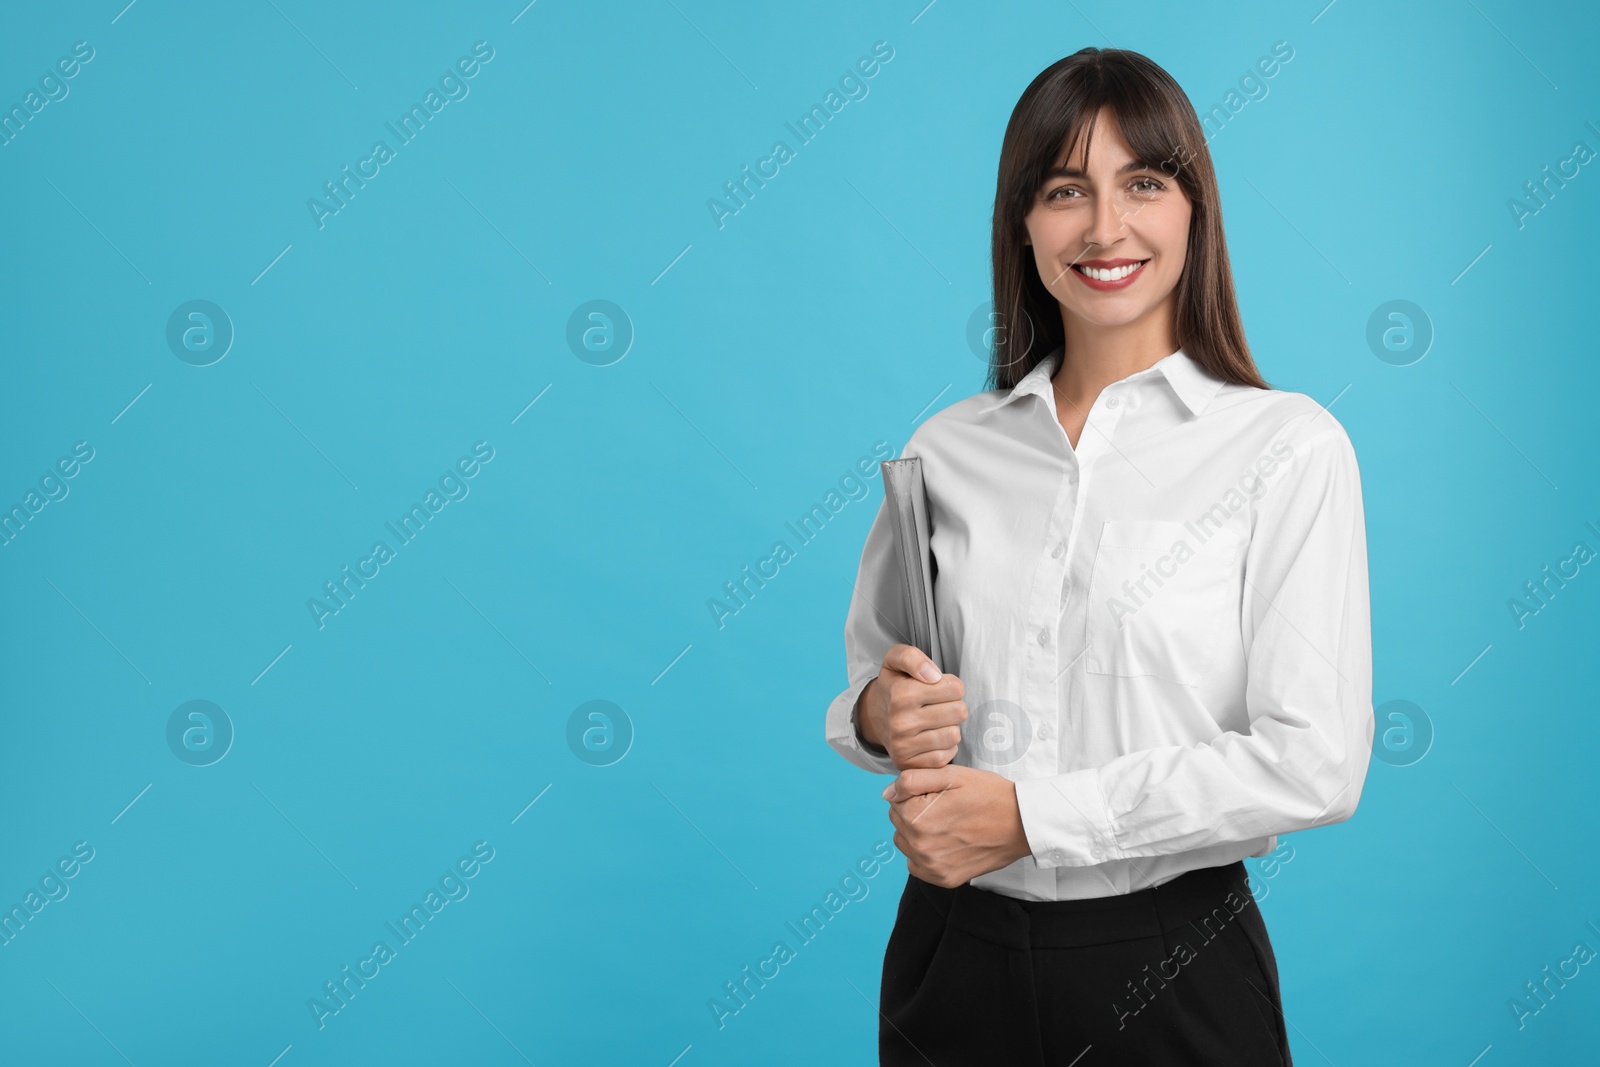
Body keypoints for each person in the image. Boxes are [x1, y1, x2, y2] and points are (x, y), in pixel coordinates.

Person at [822, 47, 1373, 1066]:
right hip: (951, 952)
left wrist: (1033, 816)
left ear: (1193, 212)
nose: (1104, 228)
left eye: (1143, 184)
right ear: (1022, 221)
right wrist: (874, 712)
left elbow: (1316, 760)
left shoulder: (1288, 447)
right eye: (1064, 189)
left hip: (1171, 961)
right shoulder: (946, 448)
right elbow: (874, 684)